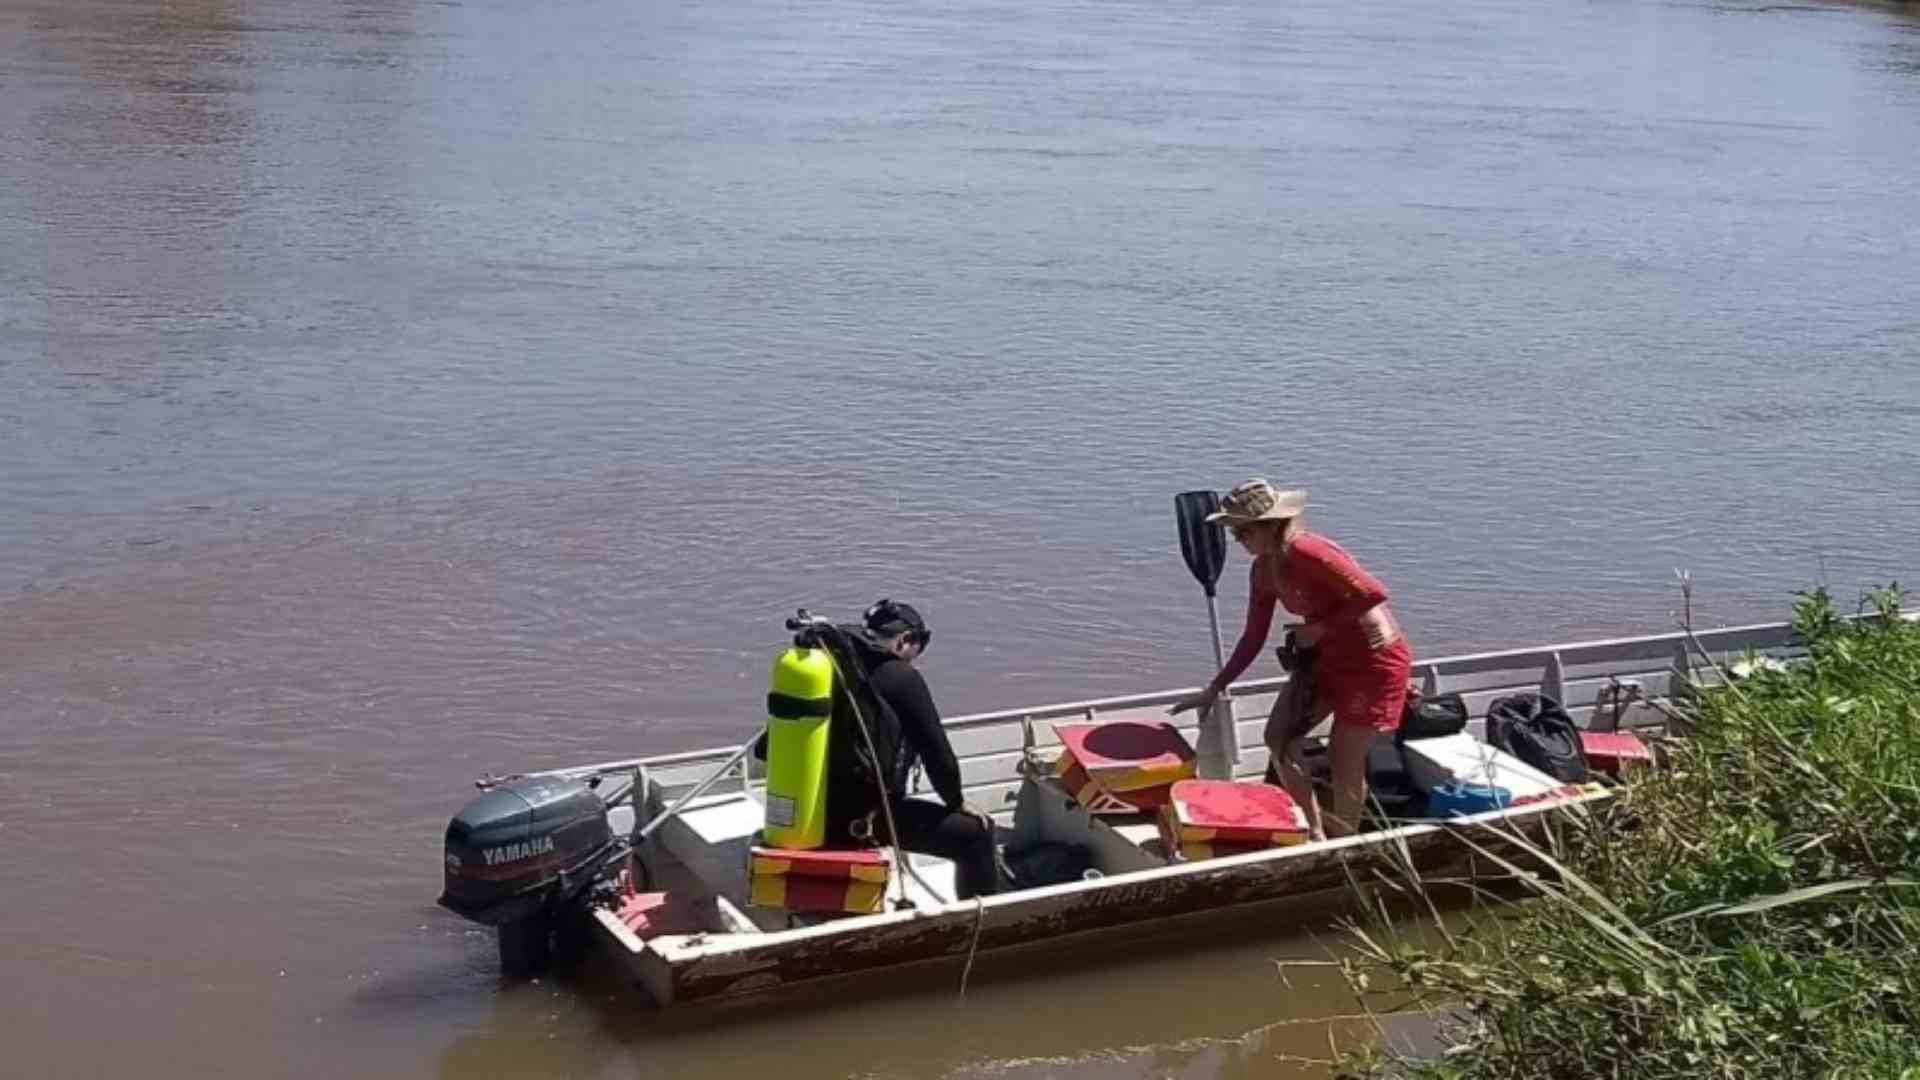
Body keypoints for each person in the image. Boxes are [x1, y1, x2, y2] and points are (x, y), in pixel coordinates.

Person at [1170, 480, 1412, 839]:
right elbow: (1253, 636)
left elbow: (1374, 593)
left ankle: (1344, 842)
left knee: (1344, 760)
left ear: (1271, 524)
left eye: (1243, 531)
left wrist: (1320, 628)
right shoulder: (1263, 570)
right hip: (1327, 660)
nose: (1239, 540)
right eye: (1234, 533)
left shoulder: (1309, 551)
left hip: (1372, 663)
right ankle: (1314, 832)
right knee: (1279, 739)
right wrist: (1216, 687)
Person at [822, 599, 1001, 900]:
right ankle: (980, 926)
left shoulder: (834, 667)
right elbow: (936, 752)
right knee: (976, 835)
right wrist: (955, 801)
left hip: (811, 809)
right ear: (906, 640)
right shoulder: (899, 677)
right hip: (865, 818)